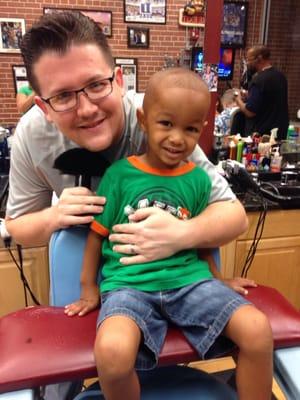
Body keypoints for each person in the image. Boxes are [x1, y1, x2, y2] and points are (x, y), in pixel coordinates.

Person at [65, 68, 273, 400]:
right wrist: (89, 289)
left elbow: (201, 241)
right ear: (143, 120)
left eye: (190, 129)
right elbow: (96, 237)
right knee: (113, 355)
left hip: (190, 283)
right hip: (129, 287)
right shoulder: (119, 176)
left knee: (258, 331)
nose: (178, 138)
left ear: (202, 129)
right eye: (166, 124)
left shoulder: (199, 181)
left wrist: (217, 279)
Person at [6, 11, 247, 259]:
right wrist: (53, 217)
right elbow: (15, 227)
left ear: (120, 81)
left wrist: (181, 234)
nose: (87, 109)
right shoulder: (32, 134)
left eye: (97, 84)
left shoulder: (157, 120)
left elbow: (234, 217)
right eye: (63, 96)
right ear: (44, 107)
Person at [234, 45, 289, 140]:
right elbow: (270, 99)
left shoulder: (258, 80)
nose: (248, 63)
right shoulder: (280, 76)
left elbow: (250, 112)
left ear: (259, 59)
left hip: (262, 135)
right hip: (280, 132)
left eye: (249, 59)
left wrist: (238, 99)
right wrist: (250, 95)